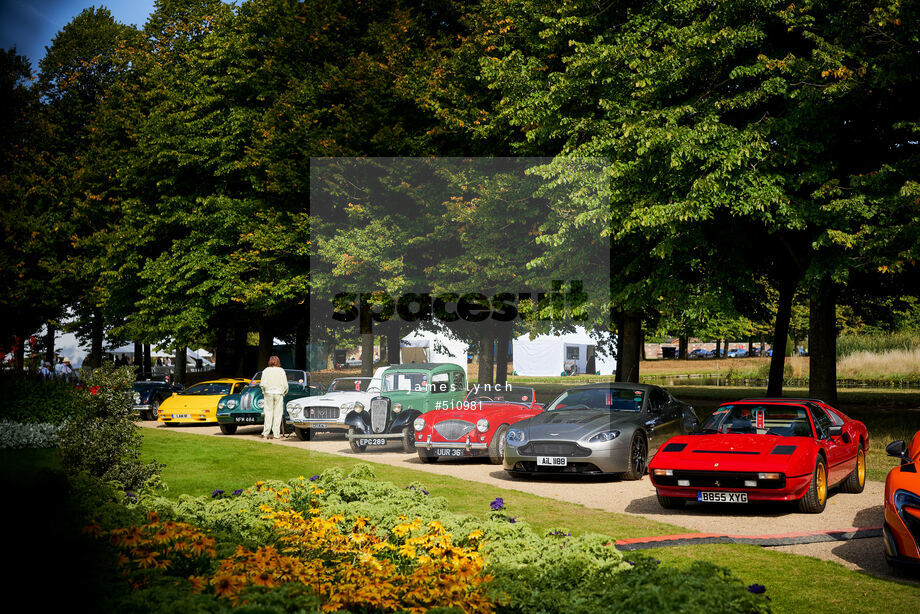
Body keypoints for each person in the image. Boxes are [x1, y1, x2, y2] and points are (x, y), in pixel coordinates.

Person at [259, 355, 288, 440]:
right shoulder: (281, 371)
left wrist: (264, 391)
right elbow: (285, 384)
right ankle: (276, 434)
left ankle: (265, 434)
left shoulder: (266, 370)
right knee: (277, 414)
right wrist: (284, 392)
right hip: (279, 393)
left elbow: (262, 384)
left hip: (268, 393)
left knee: (268, 413)